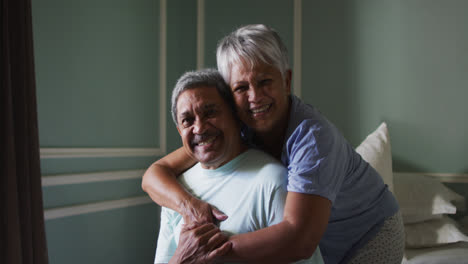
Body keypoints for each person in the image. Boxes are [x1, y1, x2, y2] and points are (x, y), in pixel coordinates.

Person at [143, 24, 405, 264]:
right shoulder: (236, 127)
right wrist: (190, 205)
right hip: (322, 237)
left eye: (264, 82)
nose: (254, 97)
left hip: (370, 233)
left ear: (286, 81)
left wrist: (204, 252)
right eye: (241, 88)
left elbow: (299, 240)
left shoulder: (313, 139)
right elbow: (155, 174)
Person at [153, 69, 323, 264]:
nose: (199, 128)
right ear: (179, 130)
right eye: (188, 121)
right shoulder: (176, 189)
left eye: (210, 113)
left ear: (235, 116)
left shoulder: (273, 182)